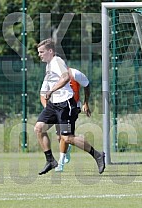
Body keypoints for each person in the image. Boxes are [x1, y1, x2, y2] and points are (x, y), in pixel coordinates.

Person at [35, 38, 105, 175]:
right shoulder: (49, 65)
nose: (39, 55)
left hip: (65, 106)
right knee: (38, 128)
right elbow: (44, 90)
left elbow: (66, 77)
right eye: (39, 52)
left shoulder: (57, 62)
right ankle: (50, 160)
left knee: (67, 138)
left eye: (41, 52)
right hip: (53, 106)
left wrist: (51, 91)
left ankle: (97, 155)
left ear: (50, 51)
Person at [40, 67, 92, 172]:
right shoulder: (50, 75)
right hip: (56, 108)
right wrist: (48, 110)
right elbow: (42, 94)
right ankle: (66, 150)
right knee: (60, 137)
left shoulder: (74, 73)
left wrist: (86, 102)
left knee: (65, 136)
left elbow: (86, 85)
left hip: (72, 108)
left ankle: (61, 163)